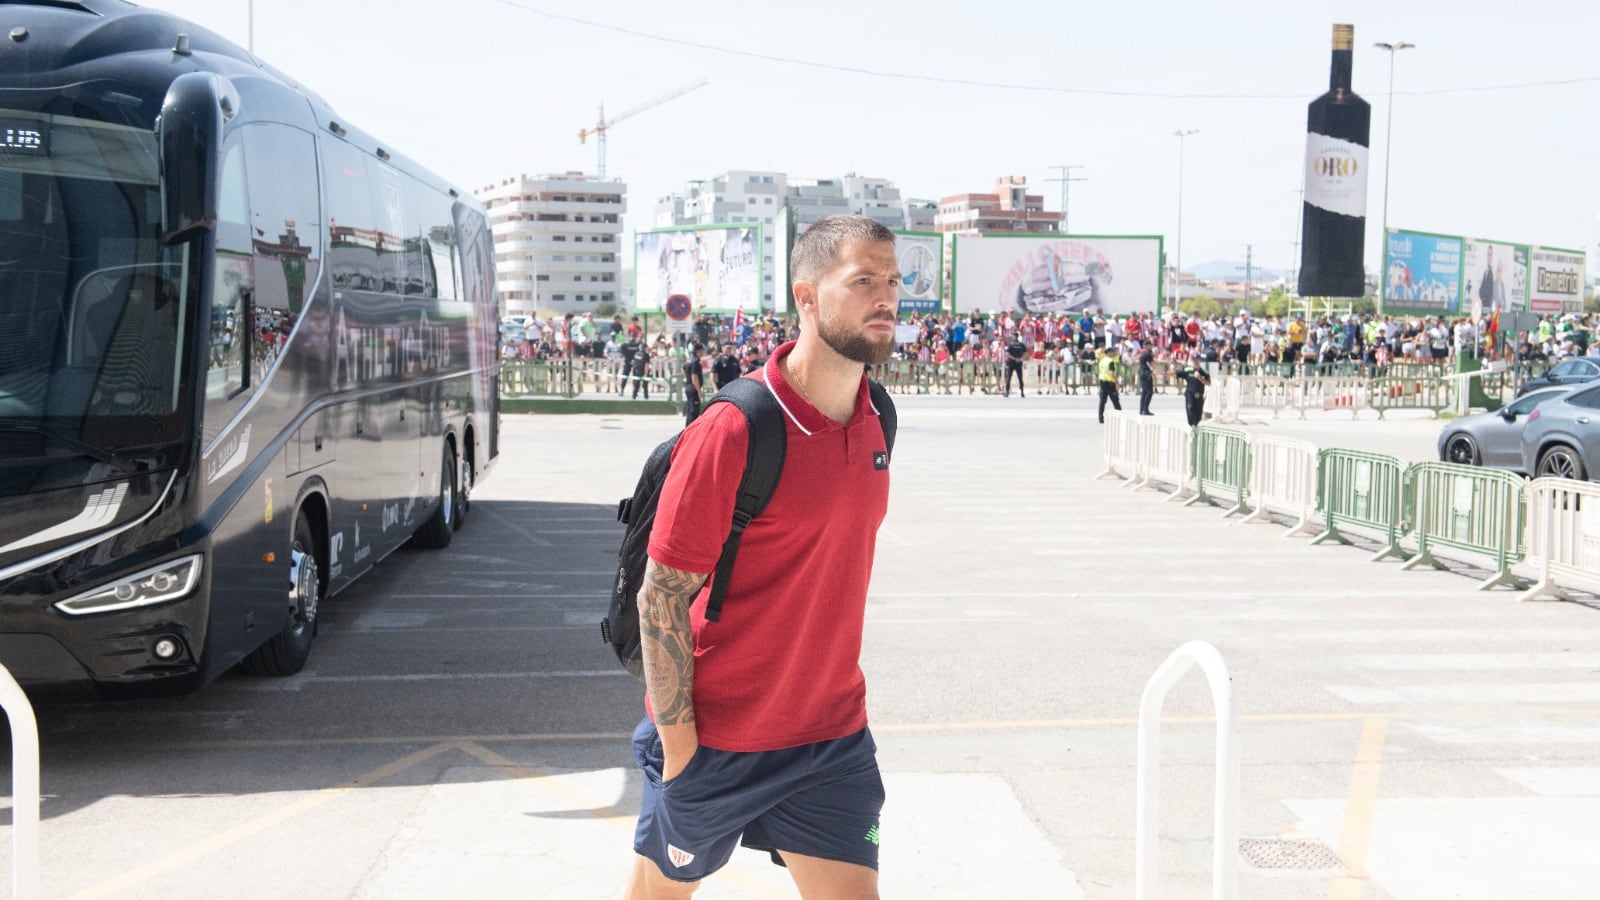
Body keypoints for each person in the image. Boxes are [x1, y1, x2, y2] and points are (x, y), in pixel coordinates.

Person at [625, 215, 896, 900]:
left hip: (830, 741)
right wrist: (683, 754)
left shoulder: (877, 418)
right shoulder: (735, 427)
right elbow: (659, 598)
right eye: (863, 280)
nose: (886, 298)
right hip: (716, 742)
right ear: (807, 296)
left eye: (892, 280)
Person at [1179, 359, 1211, 427]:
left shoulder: (1204, 372)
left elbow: (1209, 383)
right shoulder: (1188, 369)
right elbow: (1177, 373)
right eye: (1194, 361)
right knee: (1190, 409)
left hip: (1199, 395)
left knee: (1198, 414)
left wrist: (1200, 378)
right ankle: (1191, 426)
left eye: (1197, 360)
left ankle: (1195, 427)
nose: (1195, 362)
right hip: (1189, 394)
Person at [1096, 345, 1122, 423]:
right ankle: (1120, 416)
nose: (1113, 354)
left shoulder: (1102, 360)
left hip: (1102, 381)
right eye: (1112, 352)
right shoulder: (1110, 361)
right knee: (1115, 400)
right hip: (1109, 382)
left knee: (1102, 401)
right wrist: (1116, 382)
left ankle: (1101, 418)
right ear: (1109, 353)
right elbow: (1111, 373)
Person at [681, 344, 704, 426]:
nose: (703, 353)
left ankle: (688, 429)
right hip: (694, 389)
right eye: (702, 351)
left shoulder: (689, 360)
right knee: (694, 412)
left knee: (690, 410)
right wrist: (698, 391)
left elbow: (683, 369)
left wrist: (687, 379)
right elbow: (694, 377)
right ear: (698, 351)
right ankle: (690, 430)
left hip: (688, 387)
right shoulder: (695, 362)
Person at [1004, 331, 1027, 397]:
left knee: (1008, 378)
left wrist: (1014, 358)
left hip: (1011, 362)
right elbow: (1025, 353)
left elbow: (1007, 354)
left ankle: (1007, 392)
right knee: (1020, 378)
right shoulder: (1021, 344)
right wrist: (1021, 358)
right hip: (1018, 362)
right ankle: (1022, 392)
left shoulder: (1010, 344)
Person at [1136, 347, 1155, 415]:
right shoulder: (1148, 355)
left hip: (1141, 372)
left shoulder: (1142, 354)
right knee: (1149, 392)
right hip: (1146, 374)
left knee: (1144, 392)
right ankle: (1145, 409)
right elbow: (1152, 364)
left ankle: (1142, 410)